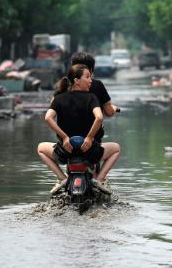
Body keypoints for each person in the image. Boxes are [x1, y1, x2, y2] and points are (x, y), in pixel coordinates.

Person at [37, 64, 121, 194]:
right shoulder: (92, 98)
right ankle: (98, 180)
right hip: (89, 151)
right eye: (87, 77)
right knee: (116, 148)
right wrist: (89, 138)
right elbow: (99, 118)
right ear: (76, 80)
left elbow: (48, 118)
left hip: (66, 151)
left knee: (41, 148)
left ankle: (62, 179)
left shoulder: (59, 98)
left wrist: (64, 138)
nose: (90, 81)